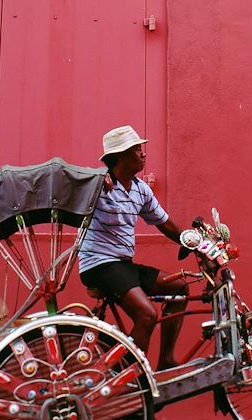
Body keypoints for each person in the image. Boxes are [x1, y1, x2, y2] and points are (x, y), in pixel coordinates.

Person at [79, 125, 188, 374]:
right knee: (147, 315)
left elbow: (166, 224)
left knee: (179, 290)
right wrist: (94, 179)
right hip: (98, 265)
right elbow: (71, 181)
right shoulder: (98, 185)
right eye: (136, 149)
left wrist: (195, 244)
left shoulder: (140, 190)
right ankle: (129, 379)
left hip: (123, 266)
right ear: (119, 157)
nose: (143, 154)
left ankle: (166, 361)